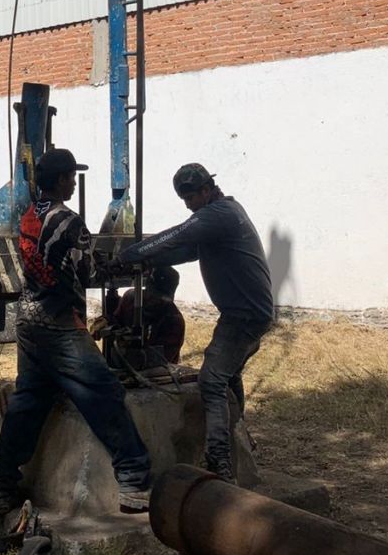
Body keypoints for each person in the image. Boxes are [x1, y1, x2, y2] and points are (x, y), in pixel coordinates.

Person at [0, 147, 152, 523]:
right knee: (104, 392)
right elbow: (85, 273)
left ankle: (0, 482)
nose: (73, 183)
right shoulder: (69, 221)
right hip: (59, 324)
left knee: (30, 401)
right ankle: (134, 481)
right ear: (62, 180)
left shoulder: (29, 216)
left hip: (28, 321)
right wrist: (117, 266)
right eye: (71, 177)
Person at [111, 163, 273, 483]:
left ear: (206, 189)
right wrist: (147, 258)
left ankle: (220, 464)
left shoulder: (218, 215)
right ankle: (236, 443)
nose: (187, 203)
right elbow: (186, 251)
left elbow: (178, 235)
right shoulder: (219, 217)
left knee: (211, 380)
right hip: (247, 313)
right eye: (183, 198)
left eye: (190, 196)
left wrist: (127, 256)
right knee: (227, 377)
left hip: (244, 316)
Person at [97, 265, 186, 369]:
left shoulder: (174, 321)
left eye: (162, 299)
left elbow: (160, 360)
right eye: (153, 295)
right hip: (120, 367)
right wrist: (105, 322)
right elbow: (116, 320)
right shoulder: (130, 298)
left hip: (156, 377)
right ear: (147, 287)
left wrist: (130, 345)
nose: (156, 301)